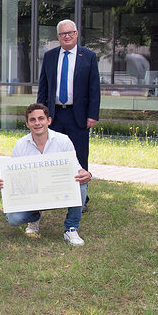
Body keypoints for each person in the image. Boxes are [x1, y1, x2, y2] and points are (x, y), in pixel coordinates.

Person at [0, 103, 91, 246]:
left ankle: (71, 228)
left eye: (41, 118)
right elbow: (15, 177)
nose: (37, 123)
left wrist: (85, 173)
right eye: (32, 120)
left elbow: (76, 168)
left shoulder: (63, 141)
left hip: (57, 189)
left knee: (80, 182)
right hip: (34, 193)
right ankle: (34, 218)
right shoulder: (20, 145)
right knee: (13, 219)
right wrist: (3, 184)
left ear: (49, 120)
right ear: (27, 124)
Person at [37, 19, 100, 211]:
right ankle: (52, 194)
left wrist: (92, 115)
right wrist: (41, 114)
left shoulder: (88, 56)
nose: (66, 36)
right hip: (53, 115)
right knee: (50, 155)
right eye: (63, 34)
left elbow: (94, 88)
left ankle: (81, 199)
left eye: (70, 33)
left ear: (76, 34)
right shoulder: (49, 56)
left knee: (79, 155)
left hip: (78, 115)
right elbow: (43, 87)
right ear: (58, 36)